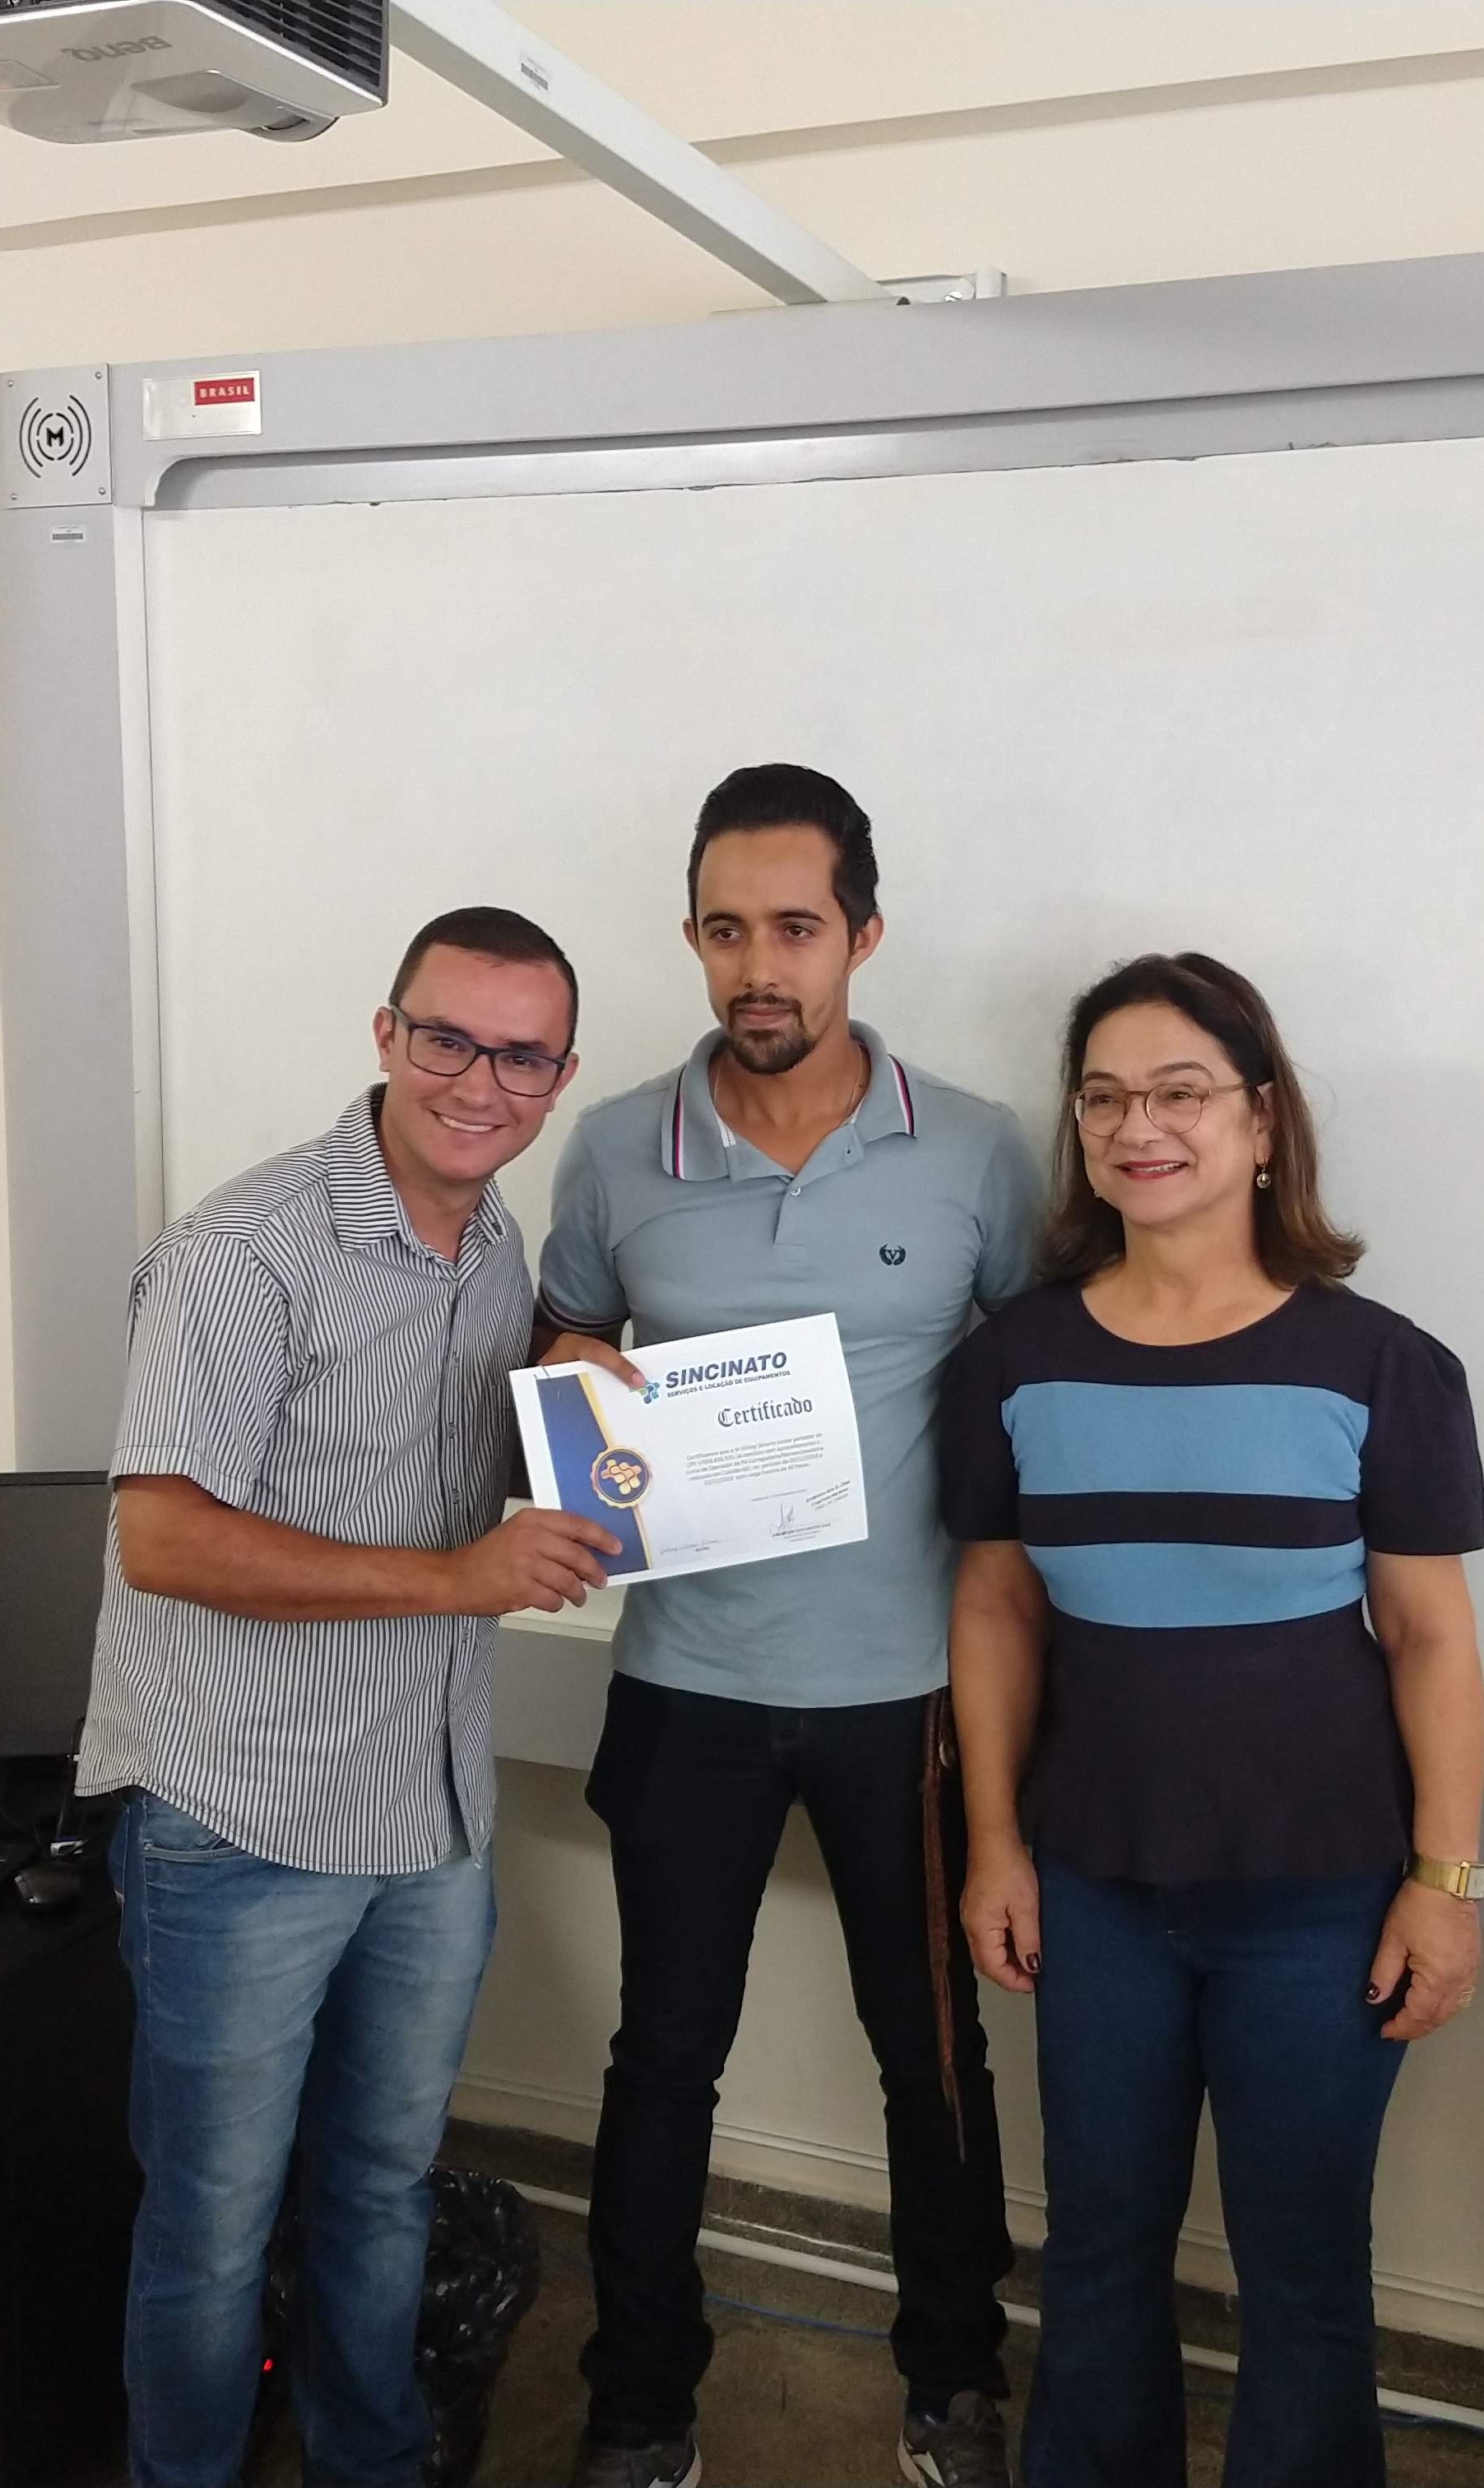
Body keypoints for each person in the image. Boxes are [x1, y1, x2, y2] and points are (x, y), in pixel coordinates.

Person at [534, 764, 1041, 2488]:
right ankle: (638, 2407)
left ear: (864, 937)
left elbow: (1033, 1388)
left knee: (933, 2059)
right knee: (664, 2059)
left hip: (912, 1697)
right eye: (727, 929)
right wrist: (570, 1382)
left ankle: (953, 2384)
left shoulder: (973, 1148)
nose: (761, 967)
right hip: (688, 1686)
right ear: (692, 937)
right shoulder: (617, 1148)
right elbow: (561, 1346)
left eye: (798, 929)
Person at [75, 905, 624, 2488]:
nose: (480, 1083)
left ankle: (368, 2464)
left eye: (522, 1057)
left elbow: (440, 1433)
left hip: (427, 1806)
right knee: (212, 2223)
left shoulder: (494, 1239)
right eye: (447, 1039)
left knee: (384, 2184)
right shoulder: (244, 1254)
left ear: (560, 1076)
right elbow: (163, 1537)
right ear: (387, 1036)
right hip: (242, 1817)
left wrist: (587, 1391)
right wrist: (462, 1577)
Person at [939, 952, 1484, 2488]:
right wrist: (994, 1844)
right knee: (1098, 2249)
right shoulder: (1016, 1361)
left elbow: (1431, 1638)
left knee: (1302, 2268)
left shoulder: (1379, 1365)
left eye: (1180, 1093)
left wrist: (1446, 1885)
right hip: (1095, 1889)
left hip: (1323, 1900)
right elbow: (996, 1612)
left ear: (1261, 1122)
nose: (1139, 1128)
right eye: (1104, 1098)